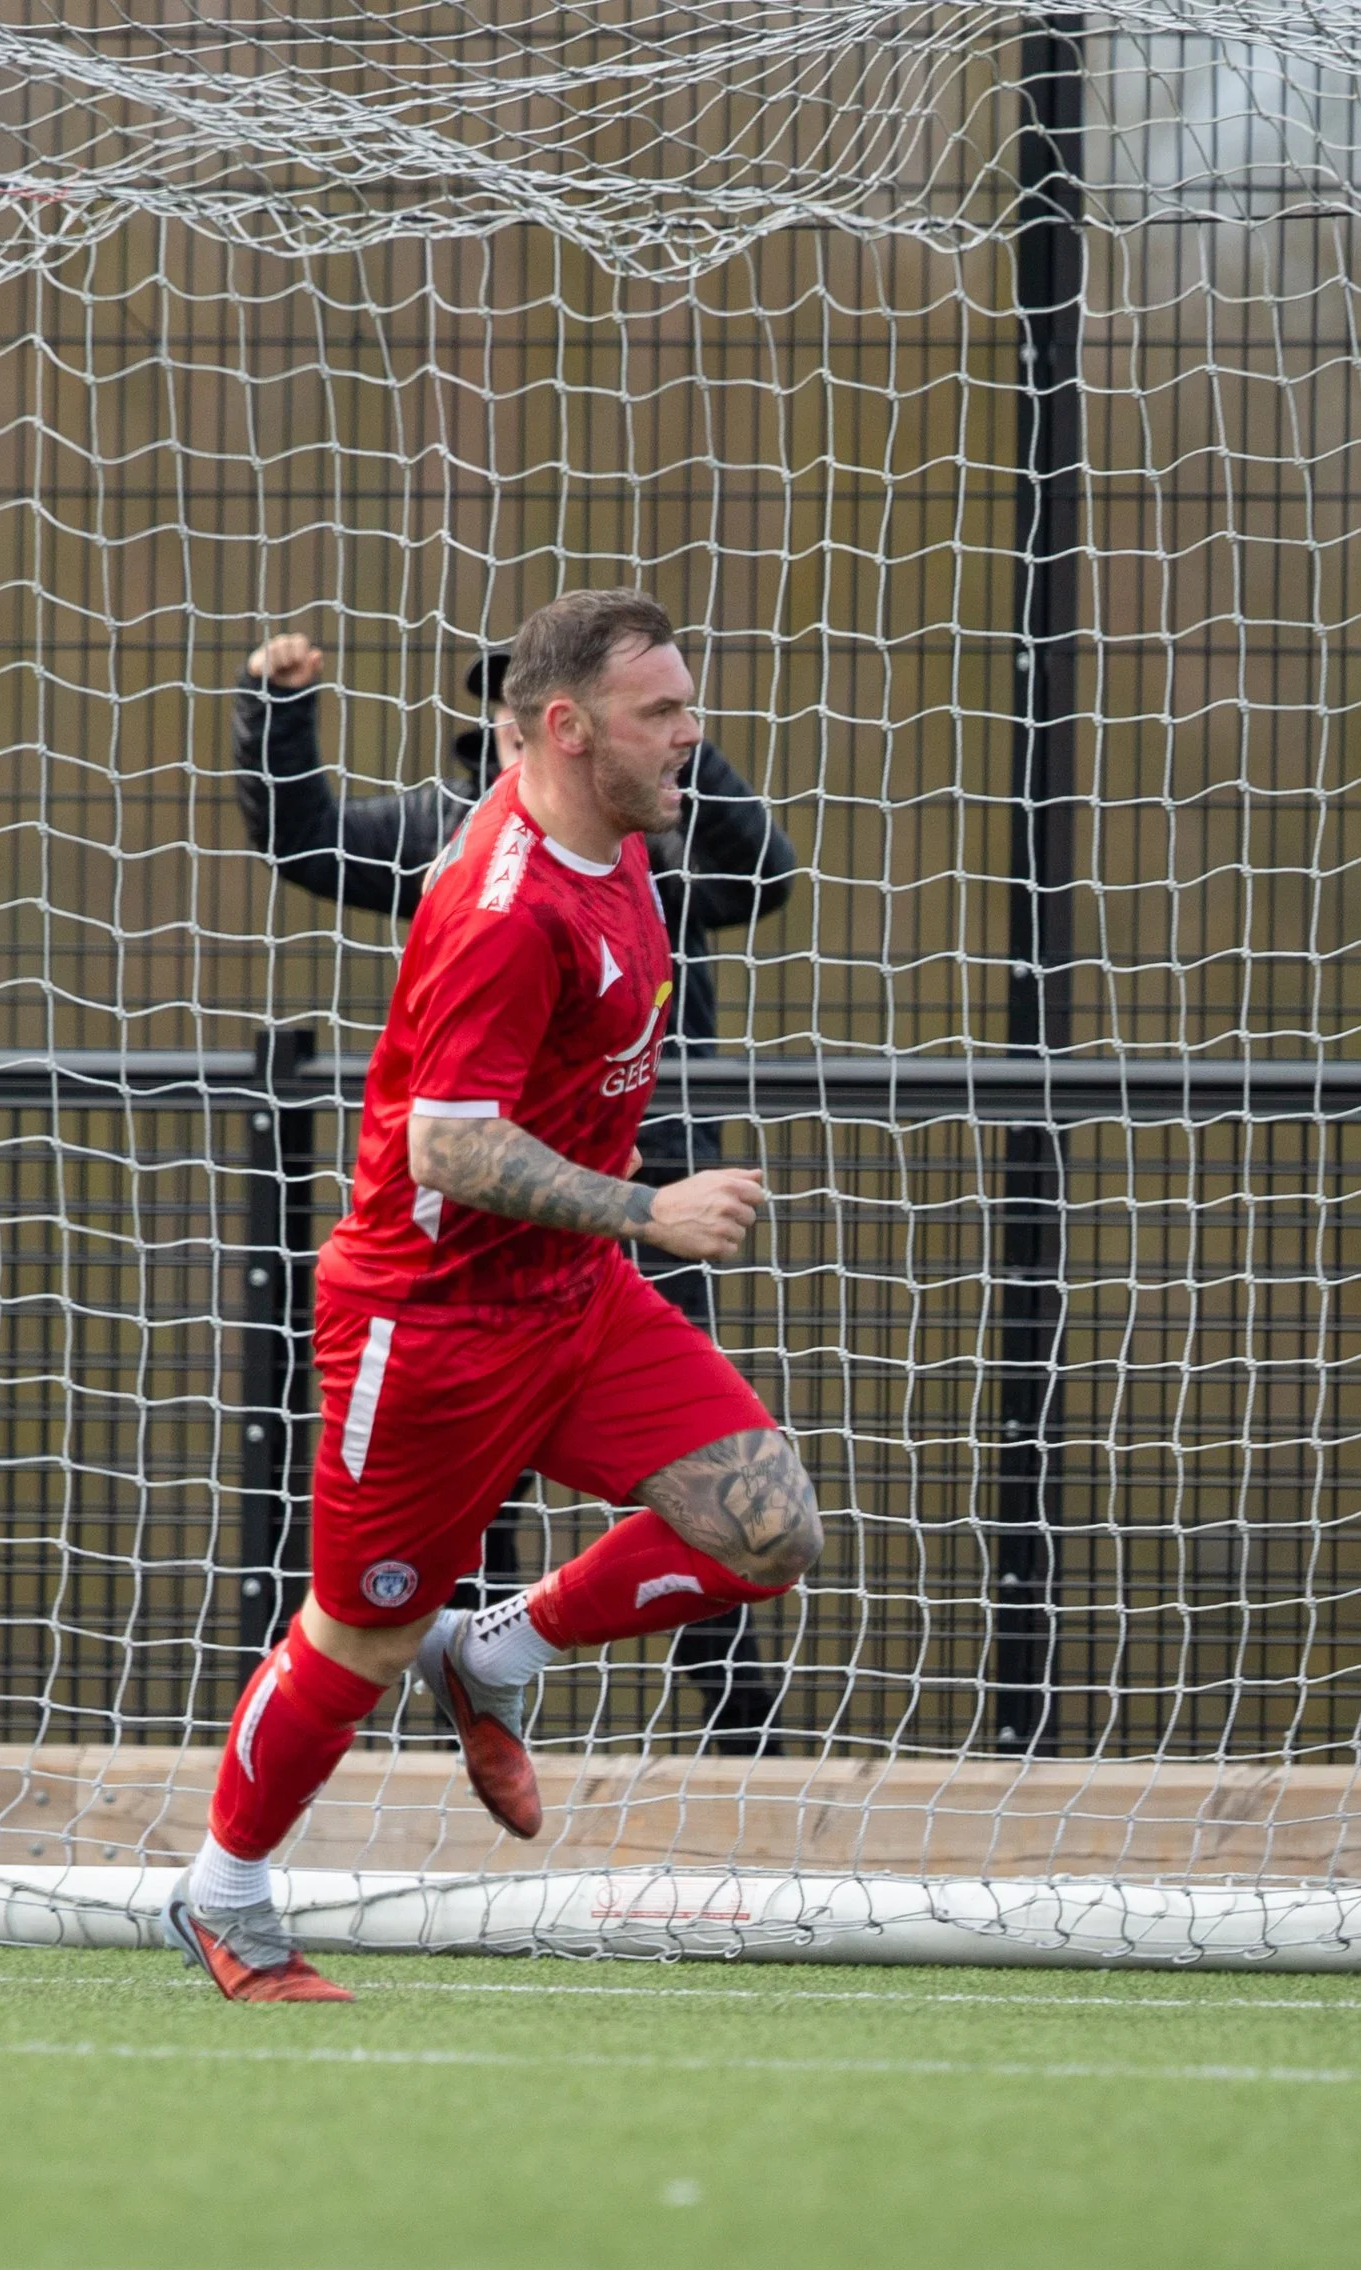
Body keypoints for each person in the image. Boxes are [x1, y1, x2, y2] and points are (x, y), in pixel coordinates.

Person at [169, 590, 824, 2001]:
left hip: (573, 1296)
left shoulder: (635, 845)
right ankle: (225, 1893)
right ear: (568, 729)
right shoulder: (500, 902)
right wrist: (650, 1207)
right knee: (358, 1633)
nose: (694, 735)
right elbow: (447, 1146)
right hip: (432, 1326)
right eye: (663, 713)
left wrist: (616, 1216)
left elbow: (760, 873)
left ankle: (493, 1652)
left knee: (766, 1524)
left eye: (689, 705)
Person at [233, 628, 800, 1751]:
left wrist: (675, 746)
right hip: (484, 1260)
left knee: (725, 1498)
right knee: (461, 1521)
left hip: (645, 1213)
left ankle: (735, 1726)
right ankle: (464, 1700)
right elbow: (308, 843)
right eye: (504, 707)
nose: (521, 725)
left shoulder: (651, 828)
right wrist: (275, 715)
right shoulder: (461, 842)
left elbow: (763, 874)